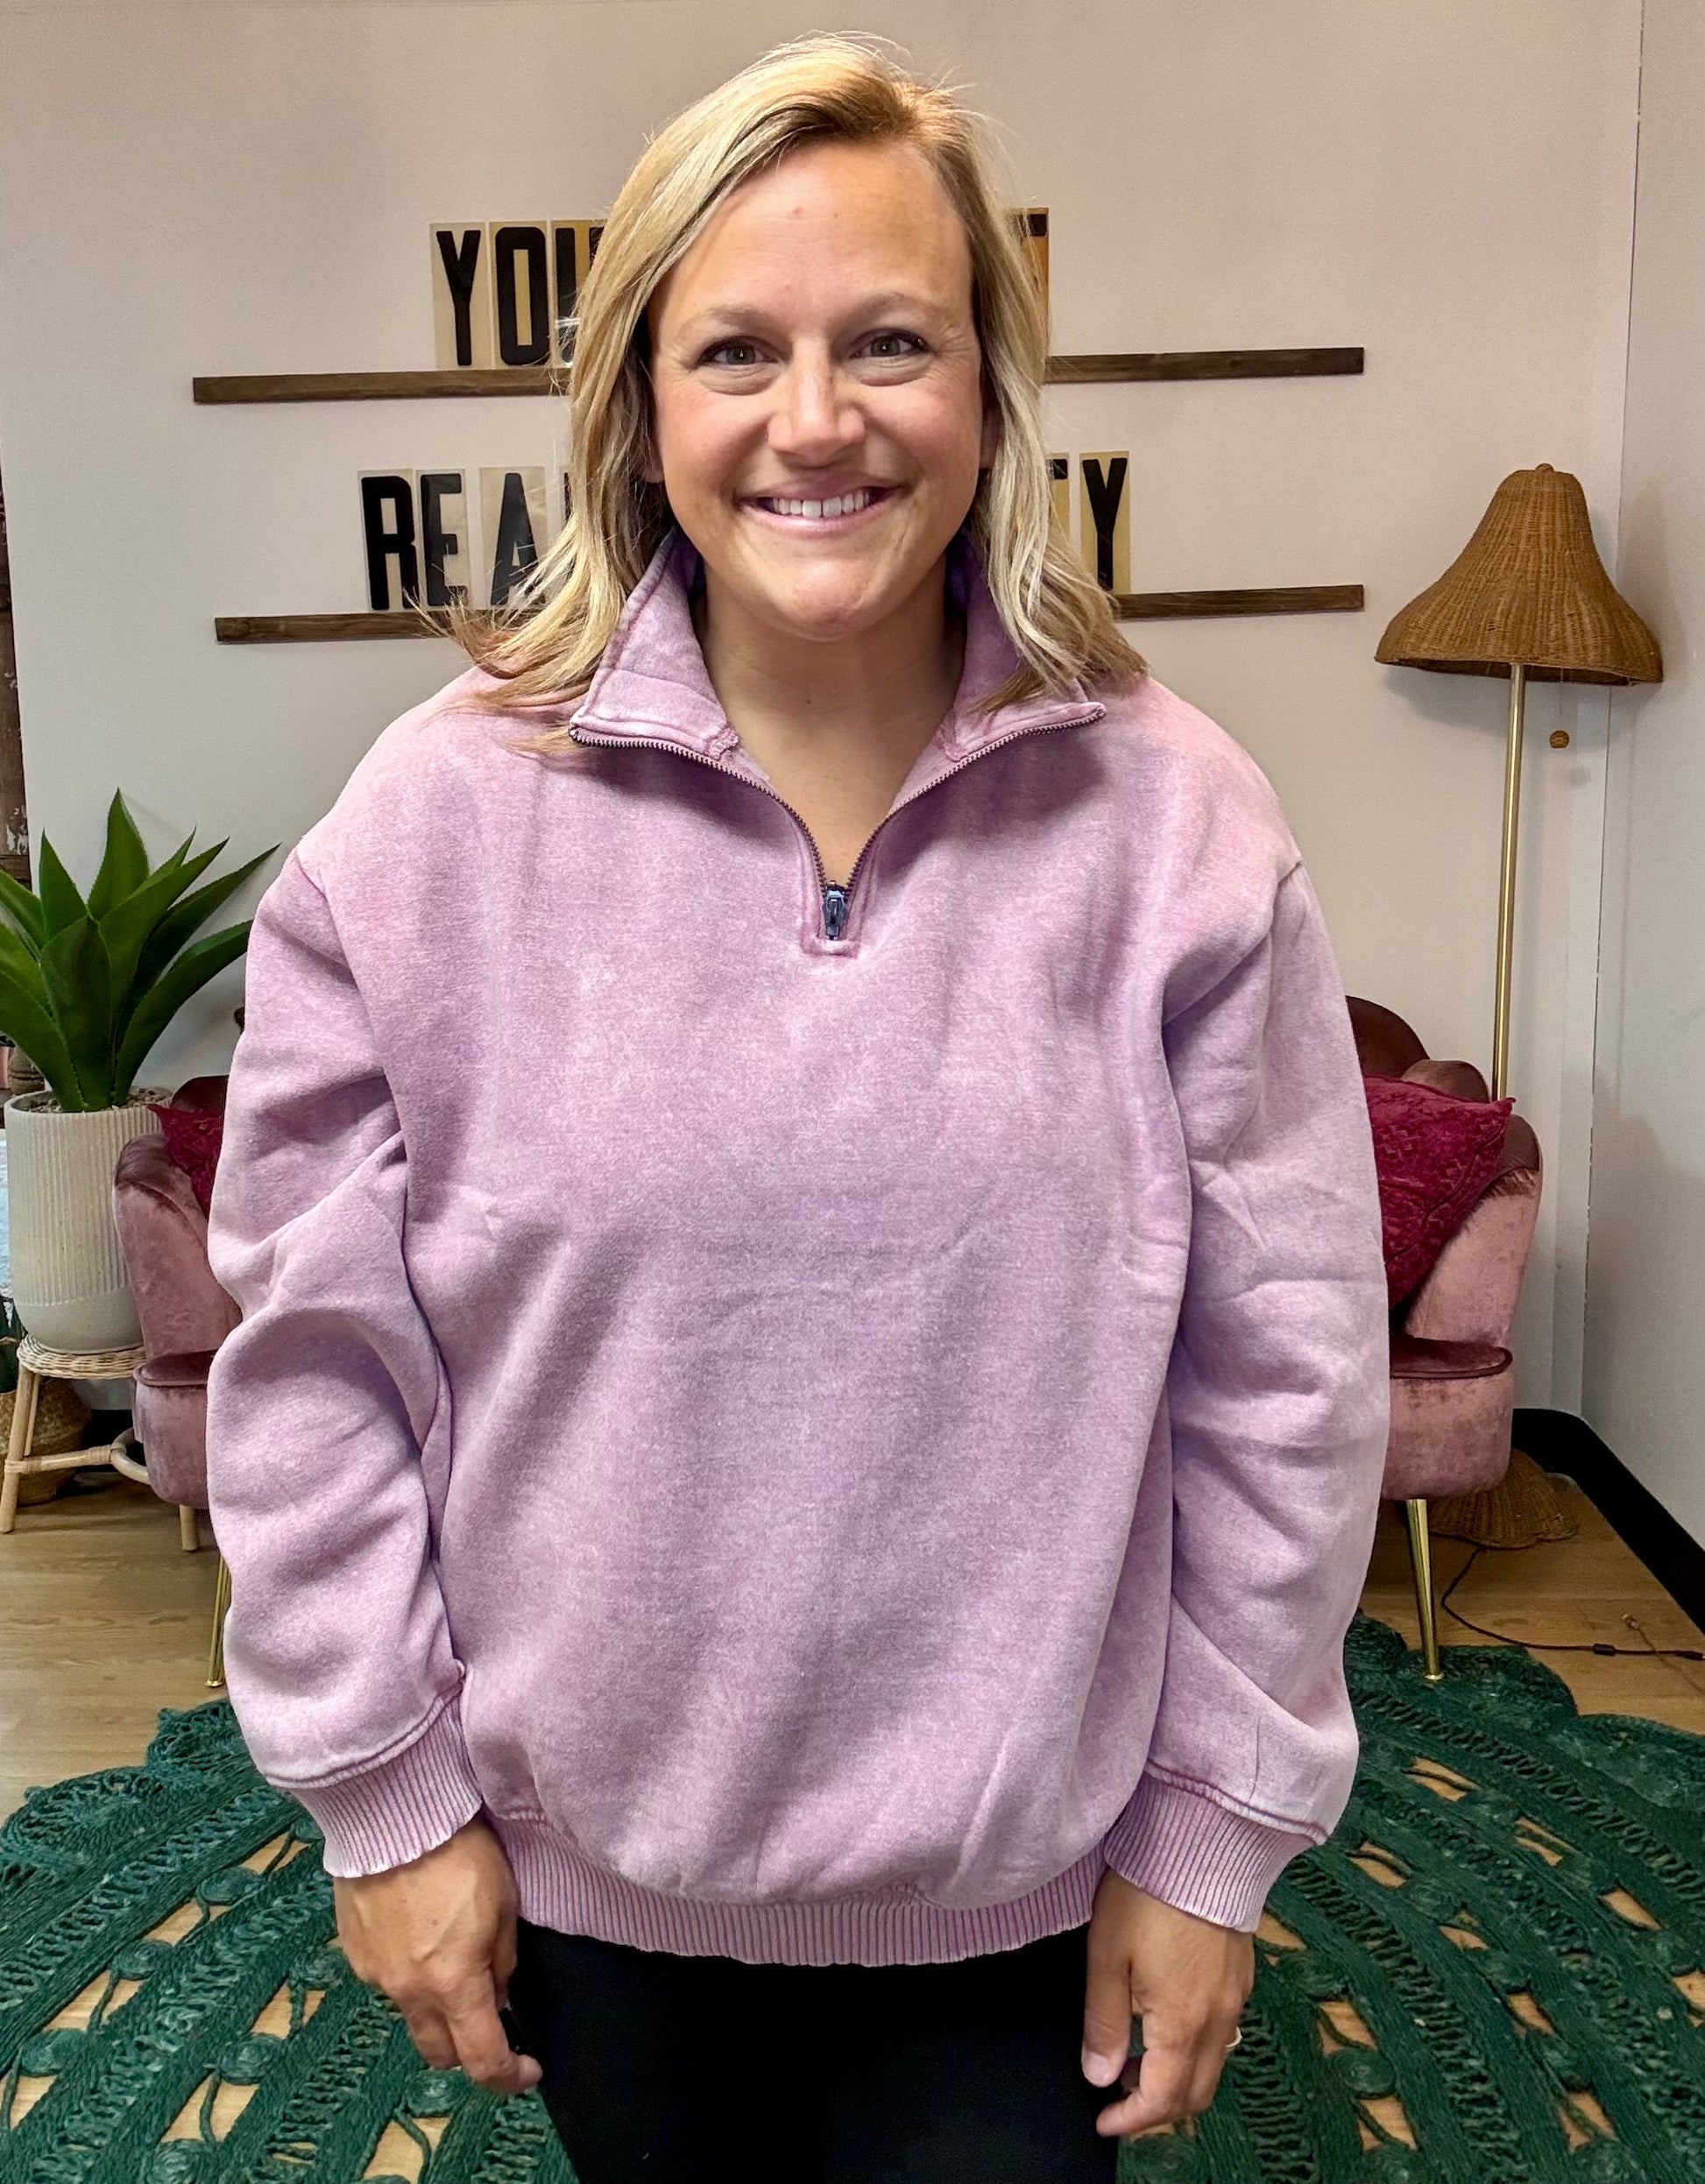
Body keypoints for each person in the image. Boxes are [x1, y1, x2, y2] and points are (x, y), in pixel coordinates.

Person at [203, 32, 1390, 2182]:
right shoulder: (430, 827)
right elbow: (308, 1362)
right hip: (594, 1893)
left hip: (1031, 1904)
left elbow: (1285, 1371)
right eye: (736, 349)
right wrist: (380, 1791)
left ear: (988, 390)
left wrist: (1214, 1828)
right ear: (640, 406)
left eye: (890, 342)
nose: (816, 417)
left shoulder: (1179, 828)